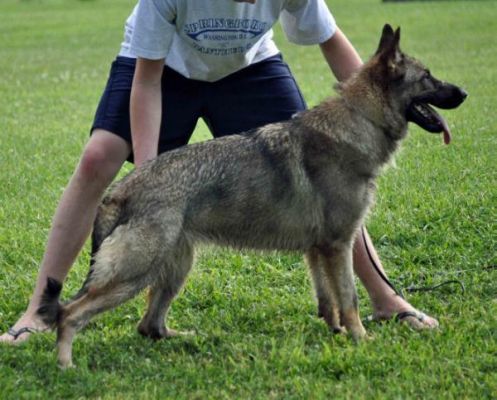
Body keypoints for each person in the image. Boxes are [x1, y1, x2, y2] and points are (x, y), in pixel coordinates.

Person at [1, 0, 438, 344]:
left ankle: (385, 299)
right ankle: (39, 310)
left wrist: (375, 102)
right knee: (98, 157)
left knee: (328, 170)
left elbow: (334, 43)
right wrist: (150, 176)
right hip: (165, 69)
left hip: (248, 68)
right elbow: (147, 81)